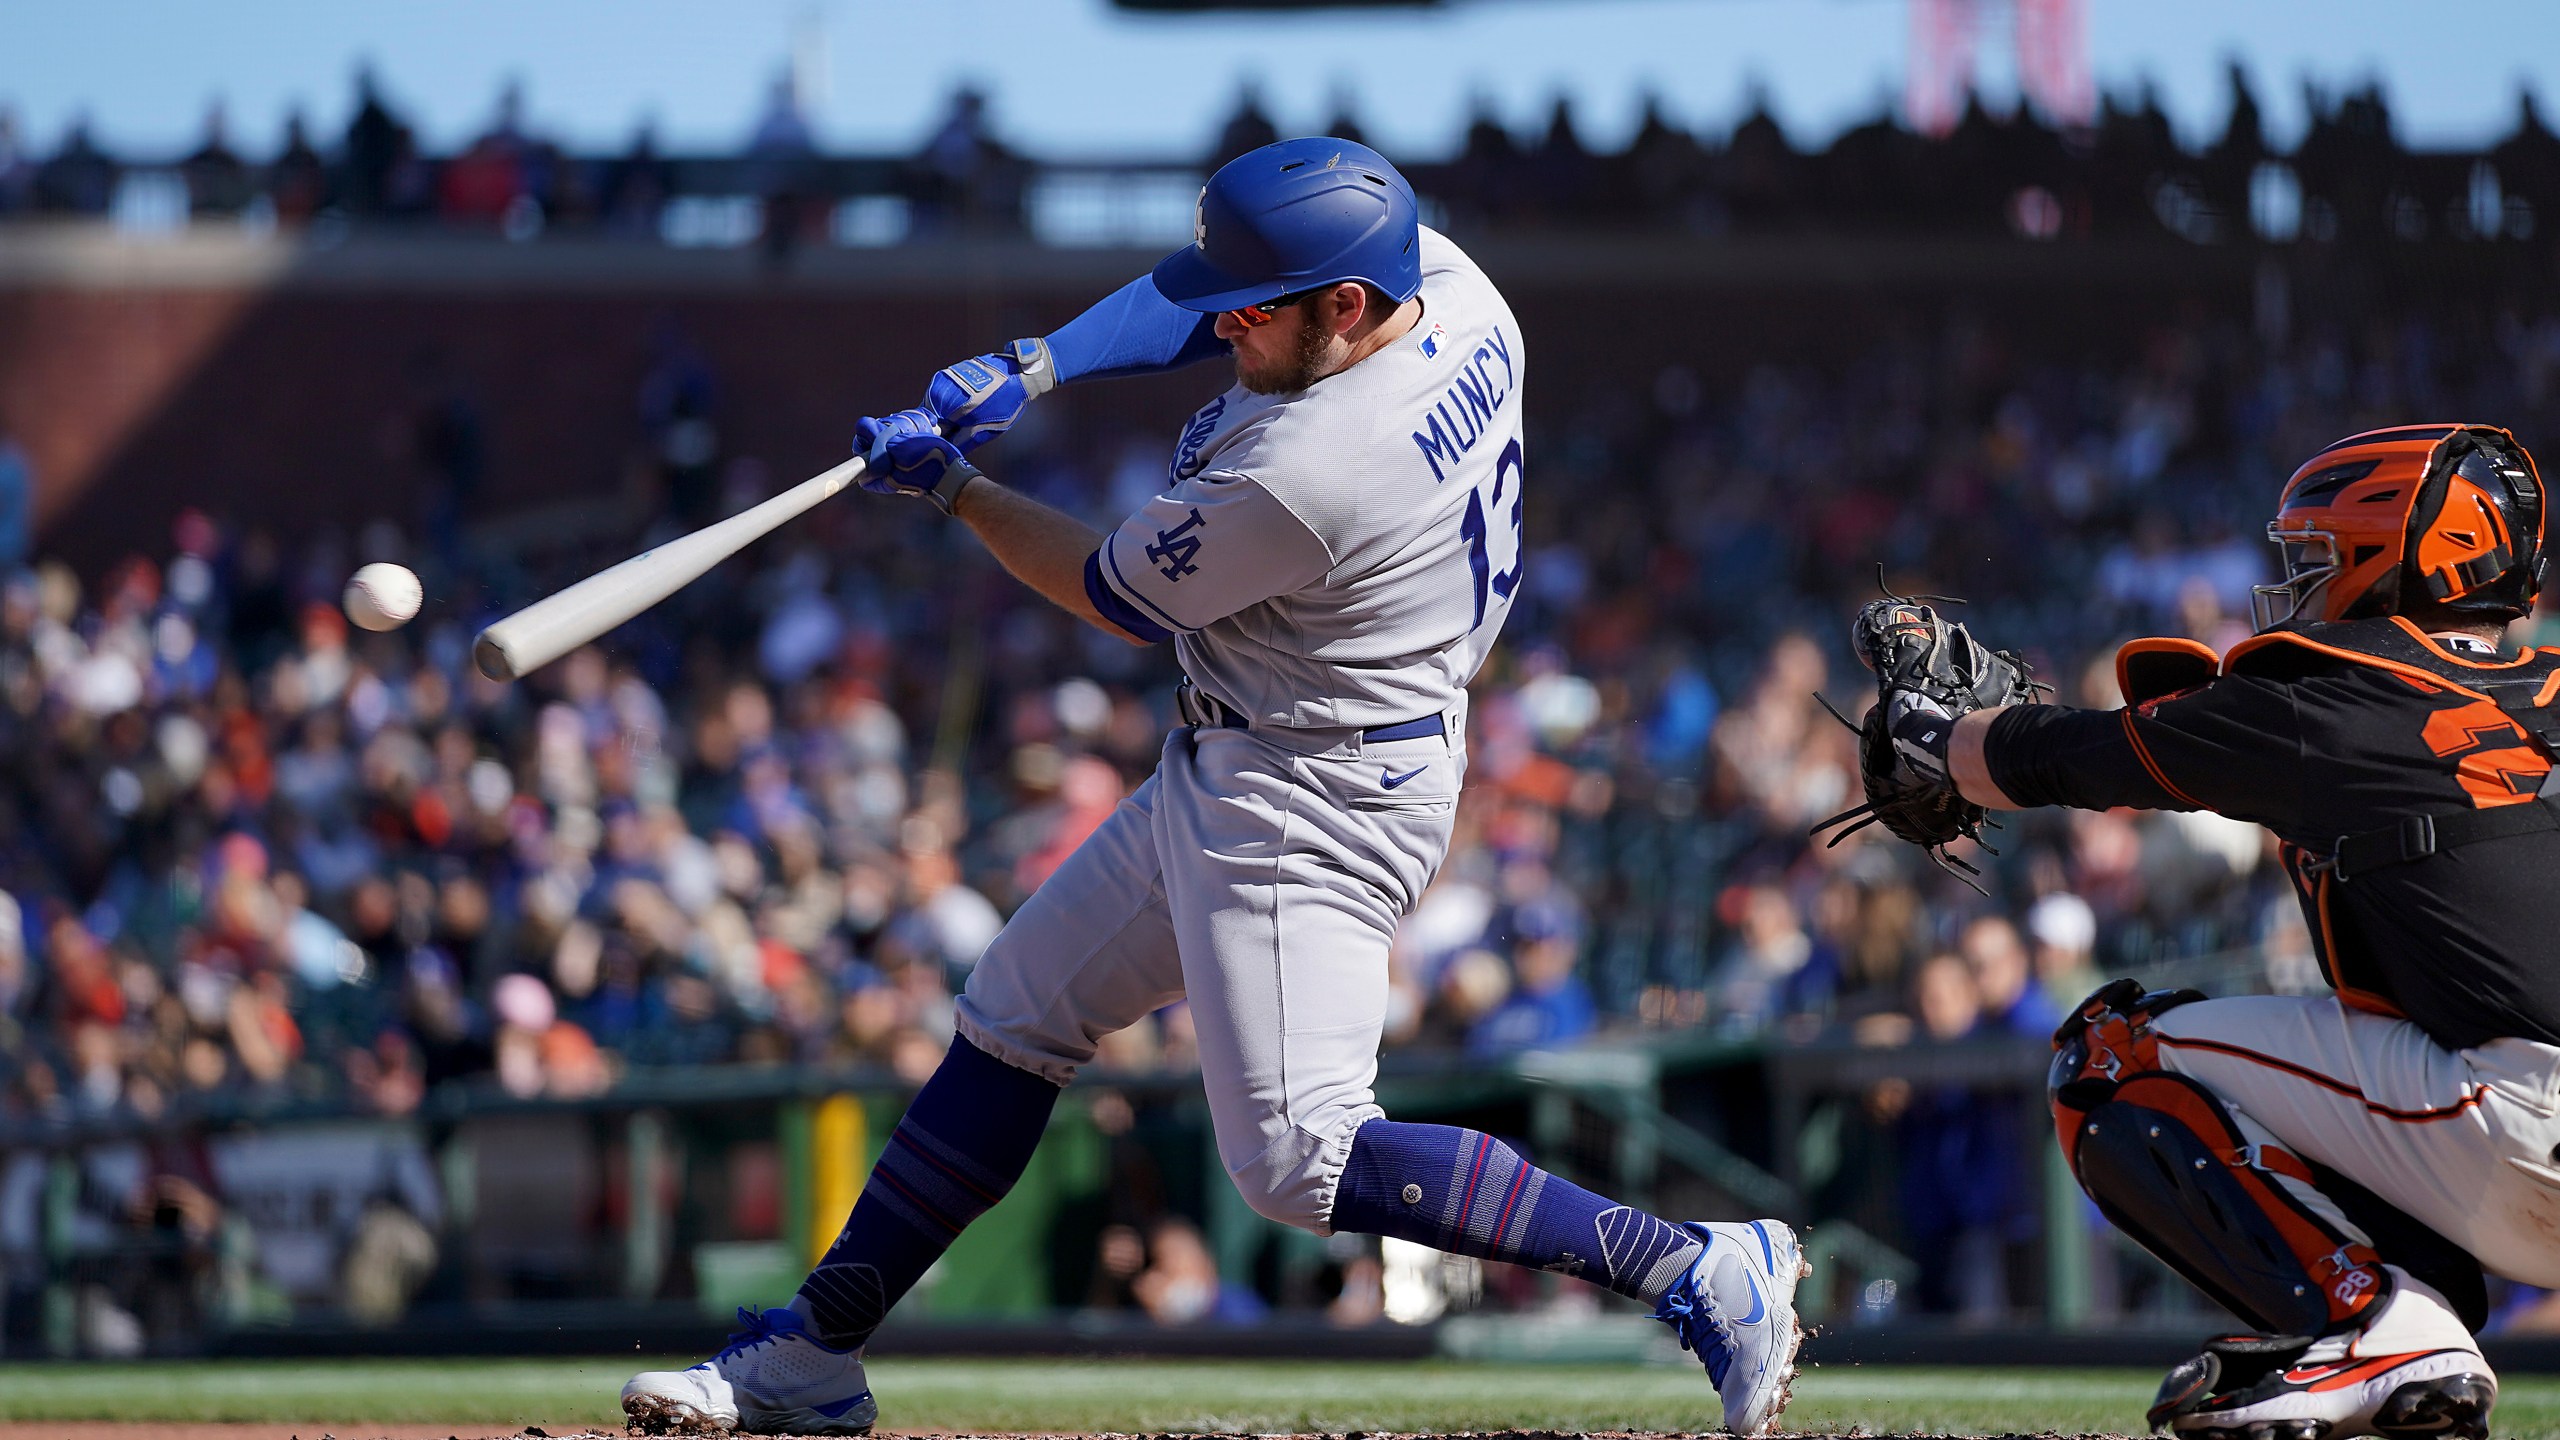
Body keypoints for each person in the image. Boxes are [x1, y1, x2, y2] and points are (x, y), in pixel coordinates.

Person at [622, 137, 1803, 1437]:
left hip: (1315, 791)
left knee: (1302, 1157)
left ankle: (1695, 1267)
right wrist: (1040, 364)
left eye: (1258, 307)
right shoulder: (1451, 283)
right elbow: (1205, 297)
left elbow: (1108, 588)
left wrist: (954, 486)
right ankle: (813, 1355)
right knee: (1013, 1015)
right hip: (1278, 741)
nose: (1222, 322)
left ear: (1345, 306)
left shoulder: (1317, 469)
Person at [1846, 424, 2558, 1440]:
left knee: (2108, 1053)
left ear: (2386, 558)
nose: (2303, 582)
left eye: (2318, 558)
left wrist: (1927, 731)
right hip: (2509, 1112)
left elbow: (2081, 757)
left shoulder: (2341, 696)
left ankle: (2379, 1321)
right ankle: (2411, 1318)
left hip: (2518, 1128)